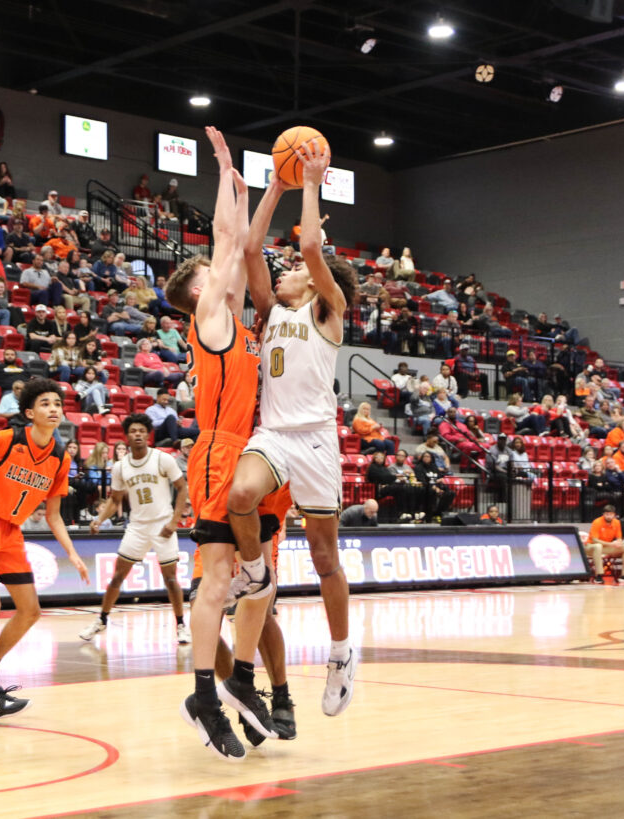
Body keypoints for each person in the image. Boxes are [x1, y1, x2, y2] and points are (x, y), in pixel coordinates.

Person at [228, 135, 358, 718]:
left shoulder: (328, 310)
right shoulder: (272, 311)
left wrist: (310, 182)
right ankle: (255, 573)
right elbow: (253, 245)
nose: (282, 272)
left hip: (316, 442)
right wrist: (276, 187)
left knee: (326, 558)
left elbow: (308, 247)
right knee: (241, 494)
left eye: (293, 271)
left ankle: (340, 653)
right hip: (276, 435)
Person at [163, 127, 282, 760]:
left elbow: (232, 245)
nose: (225, 277)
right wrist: (225, 169)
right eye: (214, 276)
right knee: (215, 582)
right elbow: (227, 238)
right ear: (198, 295)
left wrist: (242, 188)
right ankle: (206, 694)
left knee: (252, 581)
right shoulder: (209, 321)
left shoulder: (233, 323)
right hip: (217, 452)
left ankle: (235, 684)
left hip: (248, 453)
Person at [0, 378, 89, 718]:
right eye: (45, 403)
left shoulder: (59, 457)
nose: (53, 408)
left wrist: (71, 553)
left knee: (30, 610)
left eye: (57, 403)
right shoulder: (4, 440)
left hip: (11, 530)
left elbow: (53, 515)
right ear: (29, 412)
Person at [80, 414, 190, 642]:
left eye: (142, 430)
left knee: (171, 580)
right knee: (118, 576)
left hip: (163, 525)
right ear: (126, 436)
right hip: (138, 527)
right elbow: (115, 500)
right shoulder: (120, 467)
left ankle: (181, 625)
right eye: (133, 431)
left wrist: (174, 522)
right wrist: (99, 519)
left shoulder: (161, 459)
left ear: (148, 434)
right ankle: (101, 620)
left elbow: (182, 488)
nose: (138, 434)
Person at [586, 505, 624, 584]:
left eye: (610, 514)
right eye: (607, 514)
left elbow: (619, 537)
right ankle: (598, 576)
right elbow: (595, 540)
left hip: (607, 547)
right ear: (603, 514)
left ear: (614, 515)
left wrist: (619, 542)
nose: (608, 516)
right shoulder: (597, 522)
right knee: (598, 546)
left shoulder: (617, 522)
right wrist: (611, 544)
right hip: (591, 547)